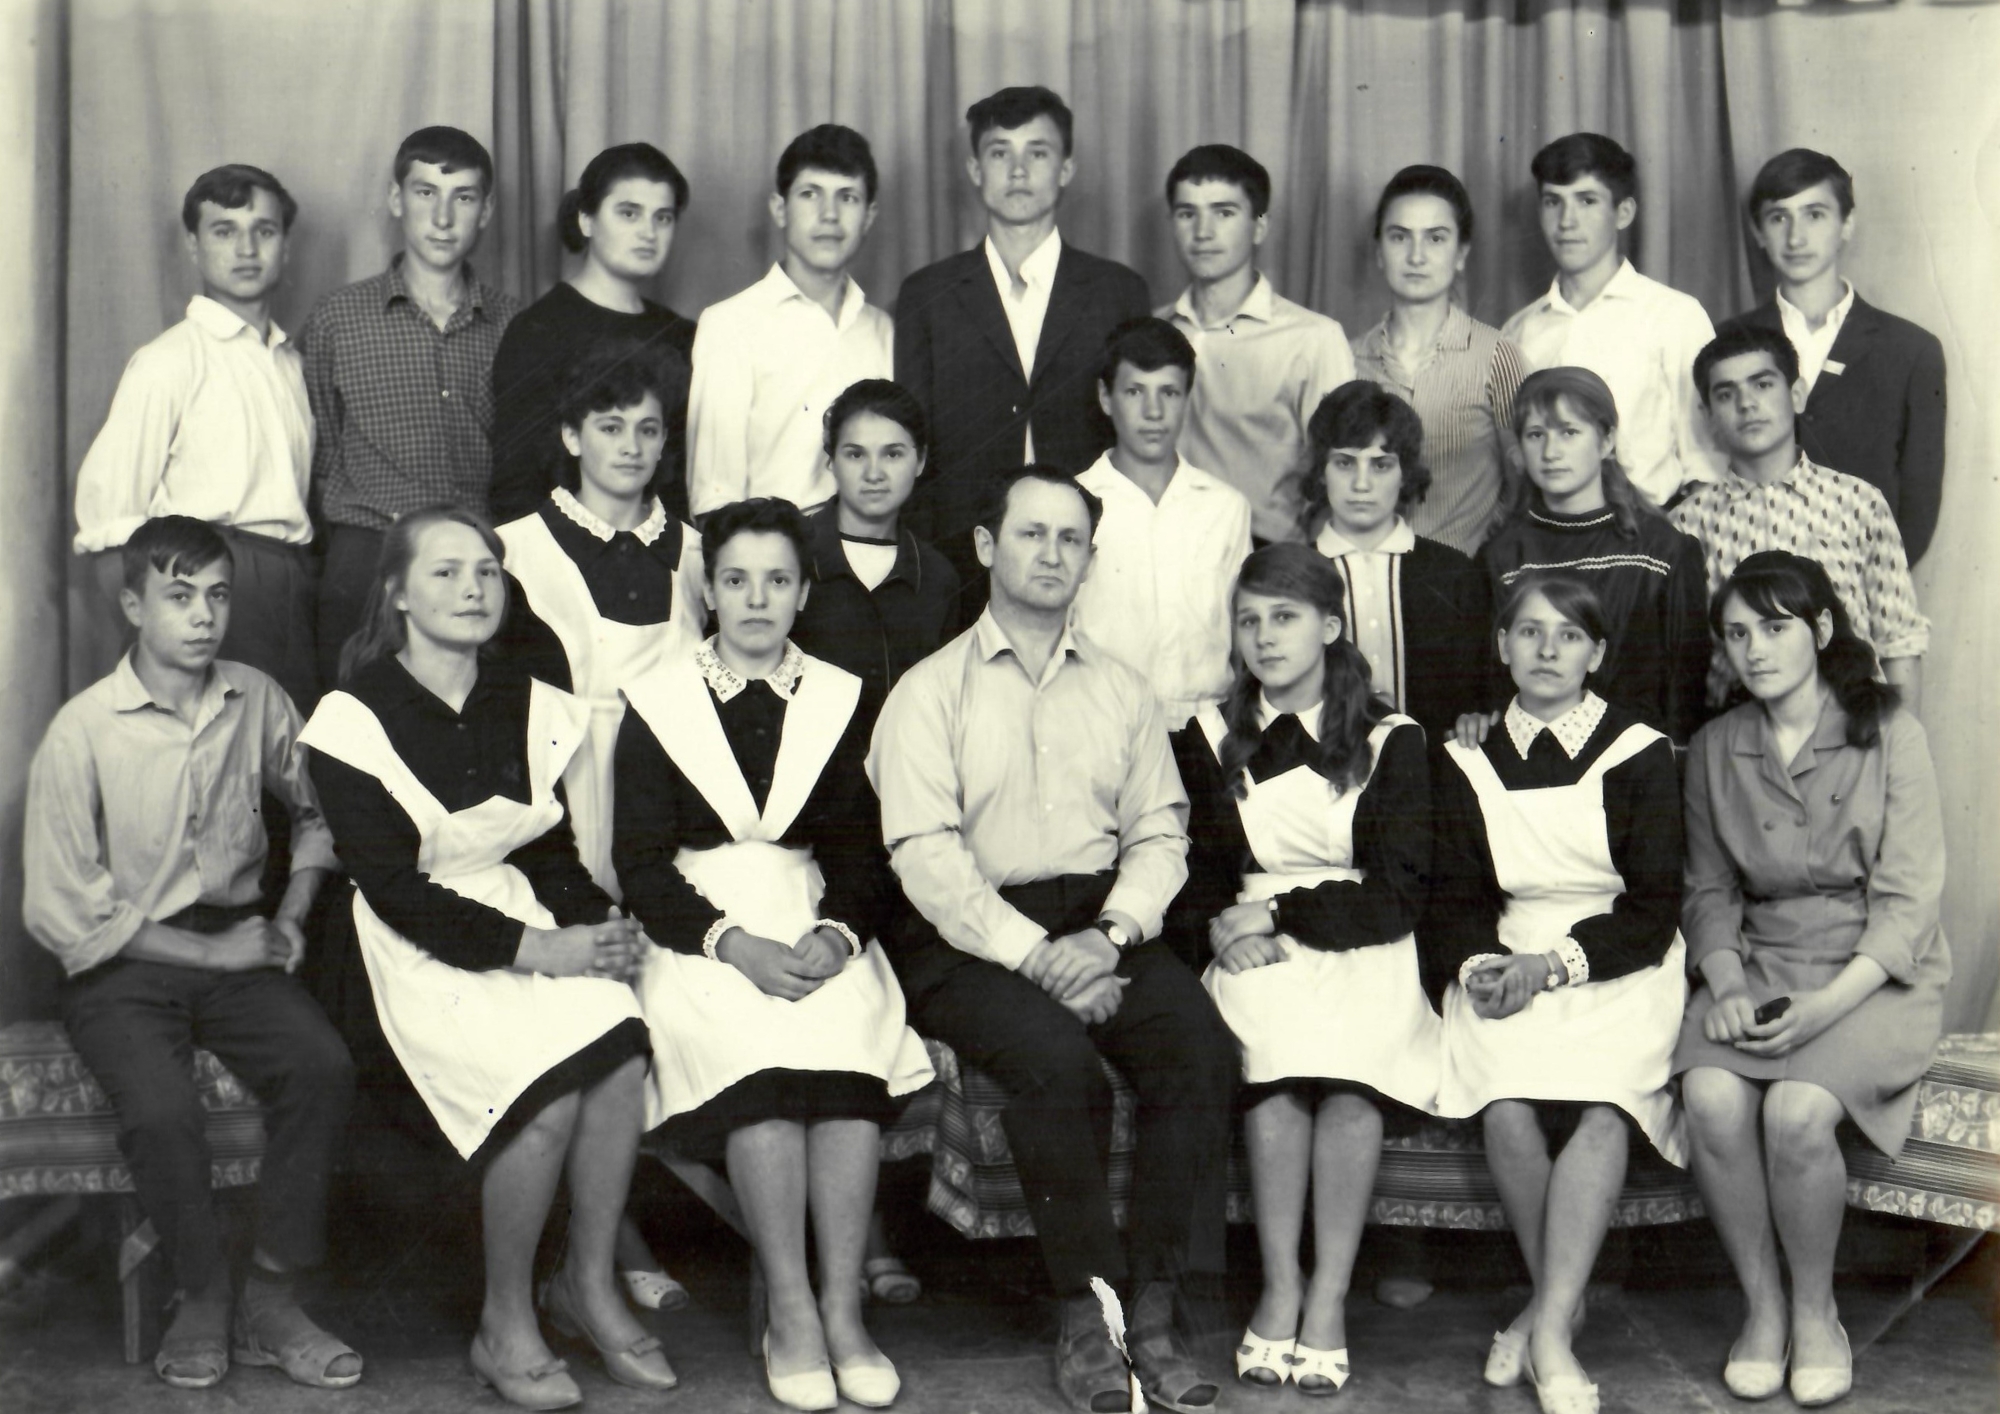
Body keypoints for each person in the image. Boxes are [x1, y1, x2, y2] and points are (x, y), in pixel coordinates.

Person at [868, 466, 1236, 1414]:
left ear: (1089, 561)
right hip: (966, 936)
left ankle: (1152, 1310)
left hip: (1101, 922)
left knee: (1198, 1049)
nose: (1051, 554)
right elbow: (925, 857)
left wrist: (1110, 937)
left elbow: (1160, 833)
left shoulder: (1122, 689)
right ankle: (1088, 1313)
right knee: (1057, 1064)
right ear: (988, 547)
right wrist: (1039, 958)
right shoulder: (928, 691)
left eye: (1070, 539)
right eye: (1031, 534)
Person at [302, 507, 674, 1409]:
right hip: (405, 952)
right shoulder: (353, 718)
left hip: (519, 917)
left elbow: (544, 849)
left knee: (621, 1049)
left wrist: (598, 925)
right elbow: (395, 890)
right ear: (396, 593)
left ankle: (584, 1283)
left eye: (486, 572)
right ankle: (504, 1322)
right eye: (445, 572)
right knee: (541, 1094)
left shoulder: (526, 698)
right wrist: (546, 948)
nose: (473, 589)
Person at [614, 498, 934, 1411]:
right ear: (709, 591)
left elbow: (862, 852)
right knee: (759, 1062)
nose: (757, 599)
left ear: (803, 594)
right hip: (698, 929)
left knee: (841, 1061)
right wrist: (733, 944)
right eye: (737, 580)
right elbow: (641, 863)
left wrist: (837, 934)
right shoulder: (659, 699)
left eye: (778, 580)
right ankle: (790, 1311)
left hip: (809, 911)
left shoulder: (837, 697)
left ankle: (842, 1311)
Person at [23, 516, 357, 1392]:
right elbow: (62, 910)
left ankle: (271, 1298)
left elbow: (323, 809)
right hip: (123, 965)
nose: (204, 616)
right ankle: (202, 1293)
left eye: (217, 596)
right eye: (179, 597)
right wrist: (214, 958)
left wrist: (293, 908)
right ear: (134, 605)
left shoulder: (257, 697)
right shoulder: (83, 729)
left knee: (322, 1067)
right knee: (164, 1110)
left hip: (236, 942)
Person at [1676, 551, 1948, 1409]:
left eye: (1775, 627)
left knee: (1796, 1113)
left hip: (1872, 973)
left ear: (1822, 629)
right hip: (1761, 958)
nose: (1754, 650)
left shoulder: (1892, 731)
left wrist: (1824, 1008)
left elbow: (1908, 903)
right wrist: (1727, 986)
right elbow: (1708, 891)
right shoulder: (1715, 747)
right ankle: (1762, 1308)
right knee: (1710, 1096)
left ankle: (1814, 1311)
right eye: (1737, 634)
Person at [1168, 545, 1435, 1397]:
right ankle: (1280, 1286)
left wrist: (1280, 912)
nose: (1264, 637)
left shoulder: (1390, 739)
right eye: (1248, 620)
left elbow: (1399, 890)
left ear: (1329, 626)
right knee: (1277, 1071)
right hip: (1251, 940)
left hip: (1359, 936)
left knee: (1350, 1081)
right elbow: (1195, 871)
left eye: (1284, 617)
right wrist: (1221, 929)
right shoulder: (1207, 736)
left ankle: (1329, 1296)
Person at [1424, 574, 1688, 1414]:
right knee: (1506, 1106)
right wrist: (1484, 966)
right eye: (1529, 632)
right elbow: (1456, 896)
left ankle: (1543, 1328)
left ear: (1596, 653)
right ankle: (1558, 1313)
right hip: (1507, 951)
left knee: (1605, 1106)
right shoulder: (1466, 755)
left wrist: (1553, 966)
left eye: (1568, 635)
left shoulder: (1638, 749)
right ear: (1501, 645)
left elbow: (1653, 907)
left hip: (1619, 960)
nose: (1547, 650)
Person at [72, 164, 318, 711]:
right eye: (224, 231)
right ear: (193, 244)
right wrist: (161, 629)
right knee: (202, 746)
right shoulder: (169, 362)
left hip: (289, 586)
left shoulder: (291, 364)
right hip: (206, 580)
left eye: (264, 230)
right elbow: (107, 525)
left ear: (285, 244)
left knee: (281, 747)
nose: (247, 249)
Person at [893, 86, 1150, 596]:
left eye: (1037, 153)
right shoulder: (928, 293)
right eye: (999, 153)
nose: (1017, 171)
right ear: (974, 169)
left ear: (1066, 169)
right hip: (960, 558)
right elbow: (913, 440)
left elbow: (1133, 433)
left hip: (1092, 555)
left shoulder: (1117, 291)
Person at [303, 126, 520, 692]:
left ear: (486, 210)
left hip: (474, 559)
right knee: (355, 715)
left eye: (463, 197)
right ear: (397, 199)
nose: (443, 218)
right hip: (367, 556)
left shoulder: (515, 325)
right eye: (426, 193)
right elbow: (320, 451)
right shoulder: (338, 319)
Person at [494, 354, 707, 895]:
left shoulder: (700, 555)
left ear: (664, 442)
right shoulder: (513, 550)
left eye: (647, 430)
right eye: (611, 428)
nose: (631, 446)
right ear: (571, 437)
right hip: (565, 802)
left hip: (679, 801)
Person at [1672, 325, 1929, 718]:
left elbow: (1899, 641)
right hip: (1739, 737)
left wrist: (1900, 745)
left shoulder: (1858, 502)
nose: (1746, 404)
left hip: (1853, 731)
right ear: (1708, 416)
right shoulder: (1686, 526)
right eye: (1725, 394)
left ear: (1796, 395)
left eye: (1762, 385)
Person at [1717, 149, 1948, 563]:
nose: (1796, 238)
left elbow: (1919, 503)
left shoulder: (1911, 349)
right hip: (1748, 579)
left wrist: (1871, 581)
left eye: (1815, 214)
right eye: (1778, 218)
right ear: (1757, 232)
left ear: (1847, 224)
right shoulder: (1726, 340)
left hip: (1865, 582)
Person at [1474, 367, 1709, 744]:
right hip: (1532, 757)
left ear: (1606, 441)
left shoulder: (1663, 551)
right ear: (1519, 448)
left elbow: (1686, 695)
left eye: (1569, 432)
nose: (1551, 452)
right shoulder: (1501, 557)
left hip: (1636, 761)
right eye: (1536, 435)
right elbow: (1492, 689)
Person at [1501, 133, 1723, 508]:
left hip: (1653, 526)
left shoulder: (1674, 316)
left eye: (1587, 201)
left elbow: (1706, 462)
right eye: (1553, 202)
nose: (1567, 221)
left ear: (1623, 213)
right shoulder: (1518, 331)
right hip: (1545, 531)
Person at [687, 125, 893, 520]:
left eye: (847, 197)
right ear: (779, 209)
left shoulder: (884, 331)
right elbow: (714, 499)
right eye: (810, 194)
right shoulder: (730, 325)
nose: (829, 215)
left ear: (869, 216)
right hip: (770, 552)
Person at [1158, 144, 1354, 545]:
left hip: (1264, 558)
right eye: (1187, 213)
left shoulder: (1312, 339)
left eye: (1224, 213)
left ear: (1260, 226)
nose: (1203, 232)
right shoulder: (1152, 329)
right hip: (1160, 553)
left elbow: (1344, 476)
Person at [492, 142, 696, 525]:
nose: (648, 232)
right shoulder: (539, 330)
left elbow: (684, 478)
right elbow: (515, 487)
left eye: (663, 217)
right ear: (586, 220)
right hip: (563, 550)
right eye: (629, 213)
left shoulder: (682, 335)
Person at [1071, 317, 1252, 728]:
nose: (1153, 412)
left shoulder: (1225, 507)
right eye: (1135, 392)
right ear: (1105, 397)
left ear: (1187, 398)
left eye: (1169, 393)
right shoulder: (1073, 502)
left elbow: (1243, 633)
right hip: (1101, 723)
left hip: (1207, 726)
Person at [1351, 164, 1528, 557]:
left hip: (1465, 577)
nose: (1416, 256)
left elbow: (1523, 483)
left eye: (1435, 238)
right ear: (1379, 251)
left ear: (1461, 253)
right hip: (1367, 577)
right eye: (1399, 237)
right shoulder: (1346, 360)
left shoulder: (1497, 355)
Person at [1302, 380, 1490, 745]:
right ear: (1321, 472)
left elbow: (1478, 697)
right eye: (1344, 463)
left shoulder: (1453, 573)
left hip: (1433, 769)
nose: (1361, 484)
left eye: (1381, 465)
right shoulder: (1294, 575)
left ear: (1405, 474)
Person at [789, 379, 961, 716]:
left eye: (893, 454)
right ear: (831, 460)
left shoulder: (939, 577)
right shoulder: (789, 555)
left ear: (921, 460)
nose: (874, 473)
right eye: (855, 454)